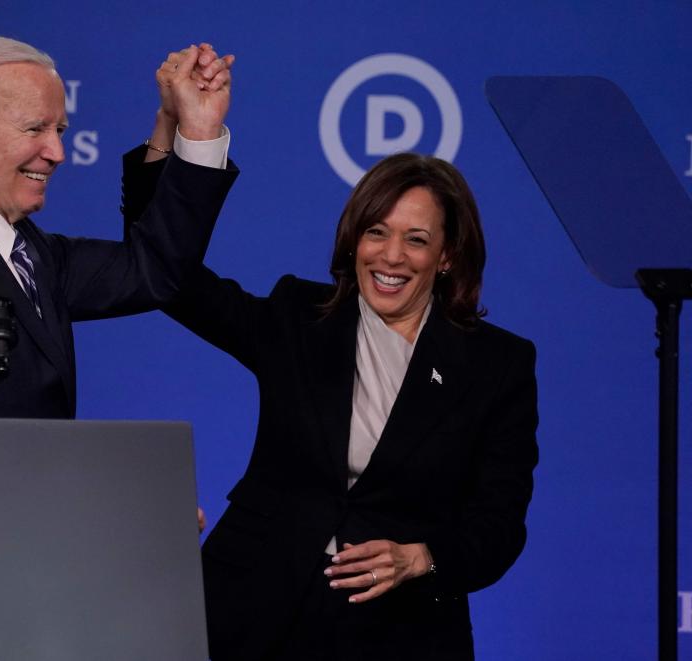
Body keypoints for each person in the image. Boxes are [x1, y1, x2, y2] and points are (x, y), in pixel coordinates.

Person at [125, 152, 538, 660]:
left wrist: (421, 559)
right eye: (376, 232)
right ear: (354, 239)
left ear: (447, 255)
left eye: (416, 239)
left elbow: (498, 525)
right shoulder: (299, 317)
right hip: (254, 610)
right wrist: (172, 139)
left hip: (401, 631)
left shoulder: (496, 364)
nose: (391, 256)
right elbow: (172, 279)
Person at [0, 37, 236, 417]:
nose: (57, 153)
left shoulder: (26, 250)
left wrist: (188, 127)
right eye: (35, 129)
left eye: (60, 131)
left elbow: (154, 270)